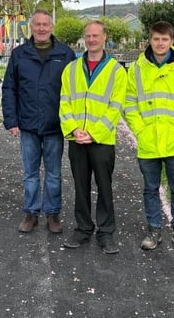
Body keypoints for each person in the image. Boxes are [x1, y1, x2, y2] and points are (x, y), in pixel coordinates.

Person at [123, 21, 174, 252]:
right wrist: (140, 130)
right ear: (150, 40)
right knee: (150, 189)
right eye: (156, 39)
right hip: (148, 141)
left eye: (164, 39)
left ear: (172, 41)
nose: (160, 43)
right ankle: (154, 229)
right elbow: (130, 103)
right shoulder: (137, 69)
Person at [2, 10, 76, 233]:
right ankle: (31, 213)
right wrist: (11, 120)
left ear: (52, 27)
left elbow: (75, 89)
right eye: (38, 25)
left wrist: (72, 122)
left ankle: (53, 214)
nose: (42, 28)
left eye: (46, 24)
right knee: (30, 173)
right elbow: (9, 88)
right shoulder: (19, 54)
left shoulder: (65, 54)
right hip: (28, 124)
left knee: (53, 173)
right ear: (32, 27)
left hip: (55, 125)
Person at [59, 20, 127, 254]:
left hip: (102, 140)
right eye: (88, 36)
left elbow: (115, 106)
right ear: (83, 38)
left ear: (104, 37)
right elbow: (64, 101)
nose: (91, 40)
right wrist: (74, 130)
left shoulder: (116, 70)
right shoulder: (71, 69)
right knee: (80, 186)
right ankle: (83, 228)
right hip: (77, 138)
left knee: (104, 186)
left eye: (96, 35)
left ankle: (106, 232)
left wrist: (95, 133)